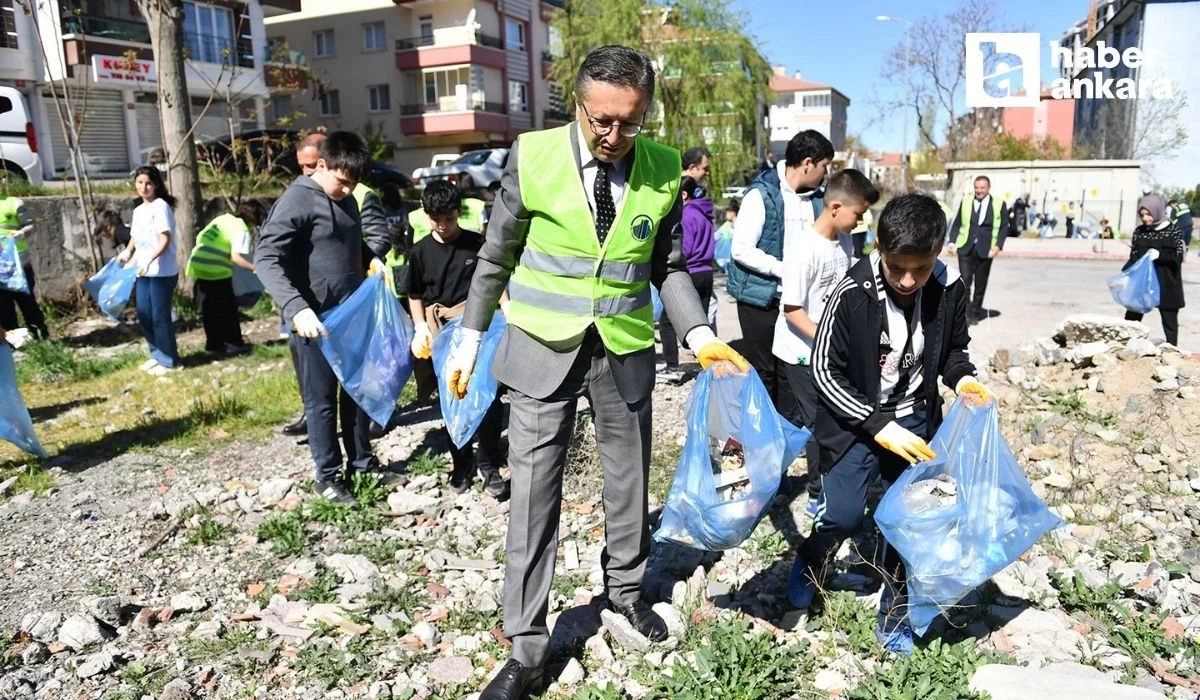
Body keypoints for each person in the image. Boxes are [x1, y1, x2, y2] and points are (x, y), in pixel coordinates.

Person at [446, 45, 747, 699]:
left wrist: (697, 332)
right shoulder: (533, 157)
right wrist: (469, 337)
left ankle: (627, 595)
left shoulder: (666, 170)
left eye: (630, 123)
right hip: (539, 351)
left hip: (623, 351)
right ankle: (526, 647)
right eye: (602, 121)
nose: (615, 136)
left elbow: (666, 266)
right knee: (531, 499)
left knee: (628, 486)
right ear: (578, 104)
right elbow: (494, 258)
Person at [791, 193, 988, 655]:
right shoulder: (852, 293)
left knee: (911, 523)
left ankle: (896, 615)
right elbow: (823, 371)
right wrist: (877, 425)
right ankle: (810, 559)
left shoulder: (950, 286)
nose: (907, 279)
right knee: (841, 515)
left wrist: (964, 382)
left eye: (919, 269)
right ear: (878, 247)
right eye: (896, 266)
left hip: (915, 421)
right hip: (857, 422)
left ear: (937, 252)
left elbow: (955, 351)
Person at [254, 131, 396, 507]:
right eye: (342, 182)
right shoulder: (298, 200)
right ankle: (328, 477)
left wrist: (370, 257)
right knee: (321, 402)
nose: (348, 191)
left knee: (355, 392)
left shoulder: (344, 199)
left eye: (353, 185)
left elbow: (344, 242)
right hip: (314, 322)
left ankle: (363, 465)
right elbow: (266, 258)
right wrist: (296, 308)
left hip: (349, 317)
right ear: (320, 165)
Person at [774, 169, 879, 516]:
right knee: (821, 422)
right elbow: (792, 310)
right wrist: (828, 339)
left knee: (834, 416)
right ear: (835, 207)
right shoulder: (804, 248)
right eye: (859, 214)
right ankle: (819, 495)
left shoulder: (844, 240)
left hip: (828, 350)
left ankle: (831, 484)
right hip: (802, 352)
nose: (860, 221)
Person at [406, 180, 510, 499]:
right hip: (442, 329)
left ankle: (489, 464)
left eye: (449, 218)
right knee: (452, 396)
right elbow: (414, 293)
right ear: (427, 216)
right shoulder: (420, 251)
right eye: (437, 219)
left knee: (488, 395)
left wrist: (507, 308)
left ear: (458, 213)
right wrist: (420, 326)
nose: (443, 225)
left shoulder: (476, 244)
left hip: (478, 323)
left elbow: (493, 280)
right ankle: (460, 464)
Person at [728, 129, 833, 417]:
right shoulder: (761, 195)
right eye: (825, 166)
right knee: (763, 369)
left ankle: (789, 432)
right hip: (760, 299)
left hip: (797, 301)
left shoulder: (818, 200)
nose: (826, 174)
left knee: (792, 366)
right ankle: (763, 432)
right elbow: (741, 250)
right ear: (808, 163)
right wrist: (786, 271)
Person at [280, 132, 327, 439]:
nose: (306, 173)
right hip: (303, 302)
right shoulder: (297, 195)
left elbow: (373, 237)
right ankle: (311, 417)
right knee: (309, 377)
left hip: (341, 303)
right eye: (302, 167)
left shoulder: (354, 193)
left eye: (312, 166)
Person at [120, 166, 180, 376]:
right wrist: (127, 255)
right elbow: (135, 239)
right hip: (143, 271)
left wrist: (150, 260)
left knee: (160, 317)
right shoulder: (139, 210)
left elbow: (165, 239)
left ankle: (169, 360)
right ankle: (156, 355)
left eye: (148, 183)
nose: (143, 187)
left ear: (155, 185)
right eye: (139, 183)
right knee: (144, 315)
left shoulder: (161, 206)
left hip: (161, 272)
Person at [185, 202, 264, 357]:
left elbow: (202, 237)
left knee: (209, 309)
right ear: (253, 220)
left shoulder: (223, 219)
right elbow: (237, 257)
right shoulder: (241, 229)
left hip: (198, 265)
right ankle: (234, 343)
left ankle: (214, 345)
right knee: (227, 309)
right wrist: (257, 269)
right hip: (216, 269)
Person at [658, 176, 715, 380]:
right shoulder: (706, 213)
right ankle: (707, 364)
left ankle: (672, 366)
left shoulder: (686, 214)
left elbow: (684, 248)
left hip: (689, 271)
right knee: (701, 320)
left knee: (666, 320)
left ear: (683, 194)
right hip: (707, 271)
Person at [1123, 195, 1184, 347]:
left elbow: (1177, 258)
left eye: (1148, 214)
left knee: (1169, 322)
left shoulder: (1172, 231)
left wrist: (1160, 255)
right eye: (1142, 215)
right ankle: (1126, 347)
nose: (1145, 218)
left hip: (1167, 282)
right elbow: (1134, 257)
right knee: (1131, 320)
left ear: (1157, 211)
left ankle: (1172, 351)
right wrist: (1124, 274)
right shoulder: (1140, 232)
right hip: (1143, 282)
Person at [947, 175, 1008, 323]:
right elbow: (957, 223)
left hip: (986, 248)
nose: (979, 191)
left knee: (980, 284)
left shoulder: (999, 204)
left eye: (982, 188)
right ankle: (966, 314)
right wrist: (952, 241)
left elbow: (1003, 227)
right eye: (976, 188)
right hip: (965, 247)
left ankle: (975, 312)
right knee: (965, 281)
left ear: (988, 188)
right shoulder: (967, 200)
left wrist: (998, 246)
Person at [0, 193, 49, 340]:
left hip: (20, 265)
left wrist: (21, 233)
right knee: (4, 308)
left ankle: (41, 338)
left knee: (27, 304)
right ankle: (16, 343)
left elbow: (30, 224)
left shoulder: (13, 203)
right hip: (0, 270)